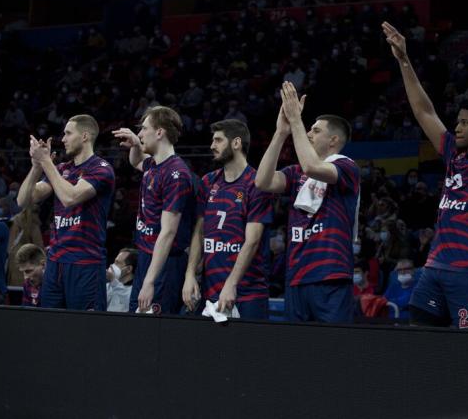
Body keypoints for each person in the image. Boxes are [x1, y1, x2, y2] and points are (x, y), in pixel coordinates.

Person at [383, 22, 468, 328]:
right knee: (418, 344)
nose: (456, 127)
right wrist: (403, 59)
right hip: (433, 269)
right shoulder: (451, 153)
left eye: (465, 123)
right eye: (456, 122)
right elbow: (424, 112)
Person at [256, 82, 360, 323]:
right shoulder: (295, 174)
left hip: (330, 275)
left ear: (333, 139)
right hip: (296, 275)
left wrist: (296, 121)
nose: (308, 134)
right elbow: (262, 181)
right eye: (309, 129)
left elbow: (312, 166)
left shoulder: (347, 167)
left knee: (333, 348)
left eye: (315, 130)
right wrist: (281, 132)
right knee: (298, 352)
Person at [17, 114, 115, 310]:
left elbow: (69, 198)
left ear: (85, 136)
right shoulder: (61, 169)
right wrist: (37, 166)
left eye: (68, 133)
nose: (63, 139)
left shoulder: (101, 168)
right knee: (51, 326)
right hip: (55, 262)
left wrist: (46, 162)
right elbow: (24, 200)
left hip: (85, 262)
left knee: (84, 331)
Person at [182, 119, 273, 319]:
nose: (212, 146)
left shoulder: (256, 183)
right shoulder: (208, 182)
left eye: (218, 140)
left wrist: (231, 284)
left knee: (248, 350)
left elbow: (252, 241)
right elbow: (200, 230)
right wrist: (189, 275)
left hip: (248, 293)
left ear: (236, 143)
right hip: (210, 290)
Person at [113, 106, 193, 314]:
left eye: (144, 129)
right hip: (146, 257)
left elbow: (168, 233)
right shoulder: (154, 165)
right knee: (137, 323)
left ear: (159, 132)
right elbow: (136, 161)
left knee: (157, 331)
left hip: (165, 265)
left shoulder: (176, 174)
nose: (140, 134)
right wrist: (135, 143)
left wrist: (150, 281)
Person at [6, 204, 43, 287]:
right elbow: (40, 247)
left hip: (15, 260)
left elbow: (9, 247)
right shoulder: (33, 222)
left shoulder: (15, 220)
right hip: (27, 263)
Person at [106, 248, 138, 312]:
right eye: (114, 262)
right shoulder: (108, 286)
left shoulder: (136, 291)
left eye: (117, 263)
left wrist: (113, 281)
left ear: (128, 269)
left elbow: (127, 298)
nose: (112, 266)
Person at [15, 243, 46, 307]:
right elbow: (27, 312)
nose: (25, 277)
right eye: (23, 271)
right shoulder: (27, 284)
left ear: (43, 264)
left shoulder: (57, 282)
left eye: (29, 271)